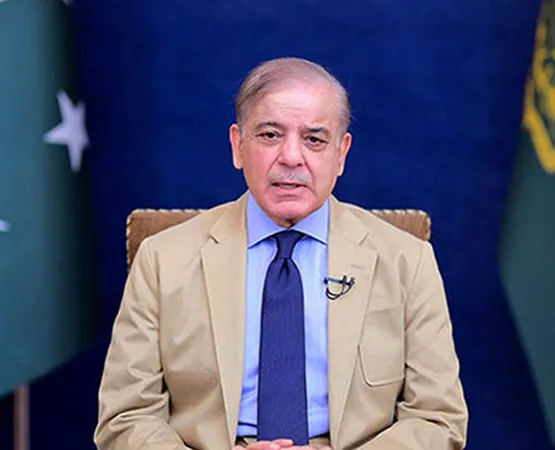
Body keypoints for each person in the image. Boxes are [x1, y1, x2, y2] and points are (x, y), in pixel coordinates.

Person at [94, 57, 468, 450]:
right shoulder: (162, 260)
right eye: (270, 135)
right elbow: (126, 417)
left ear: (341, 153)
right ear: (238, 146)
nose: (291, 157)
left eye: (314, 140)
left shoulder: (407, 261)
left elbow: (437, 419)